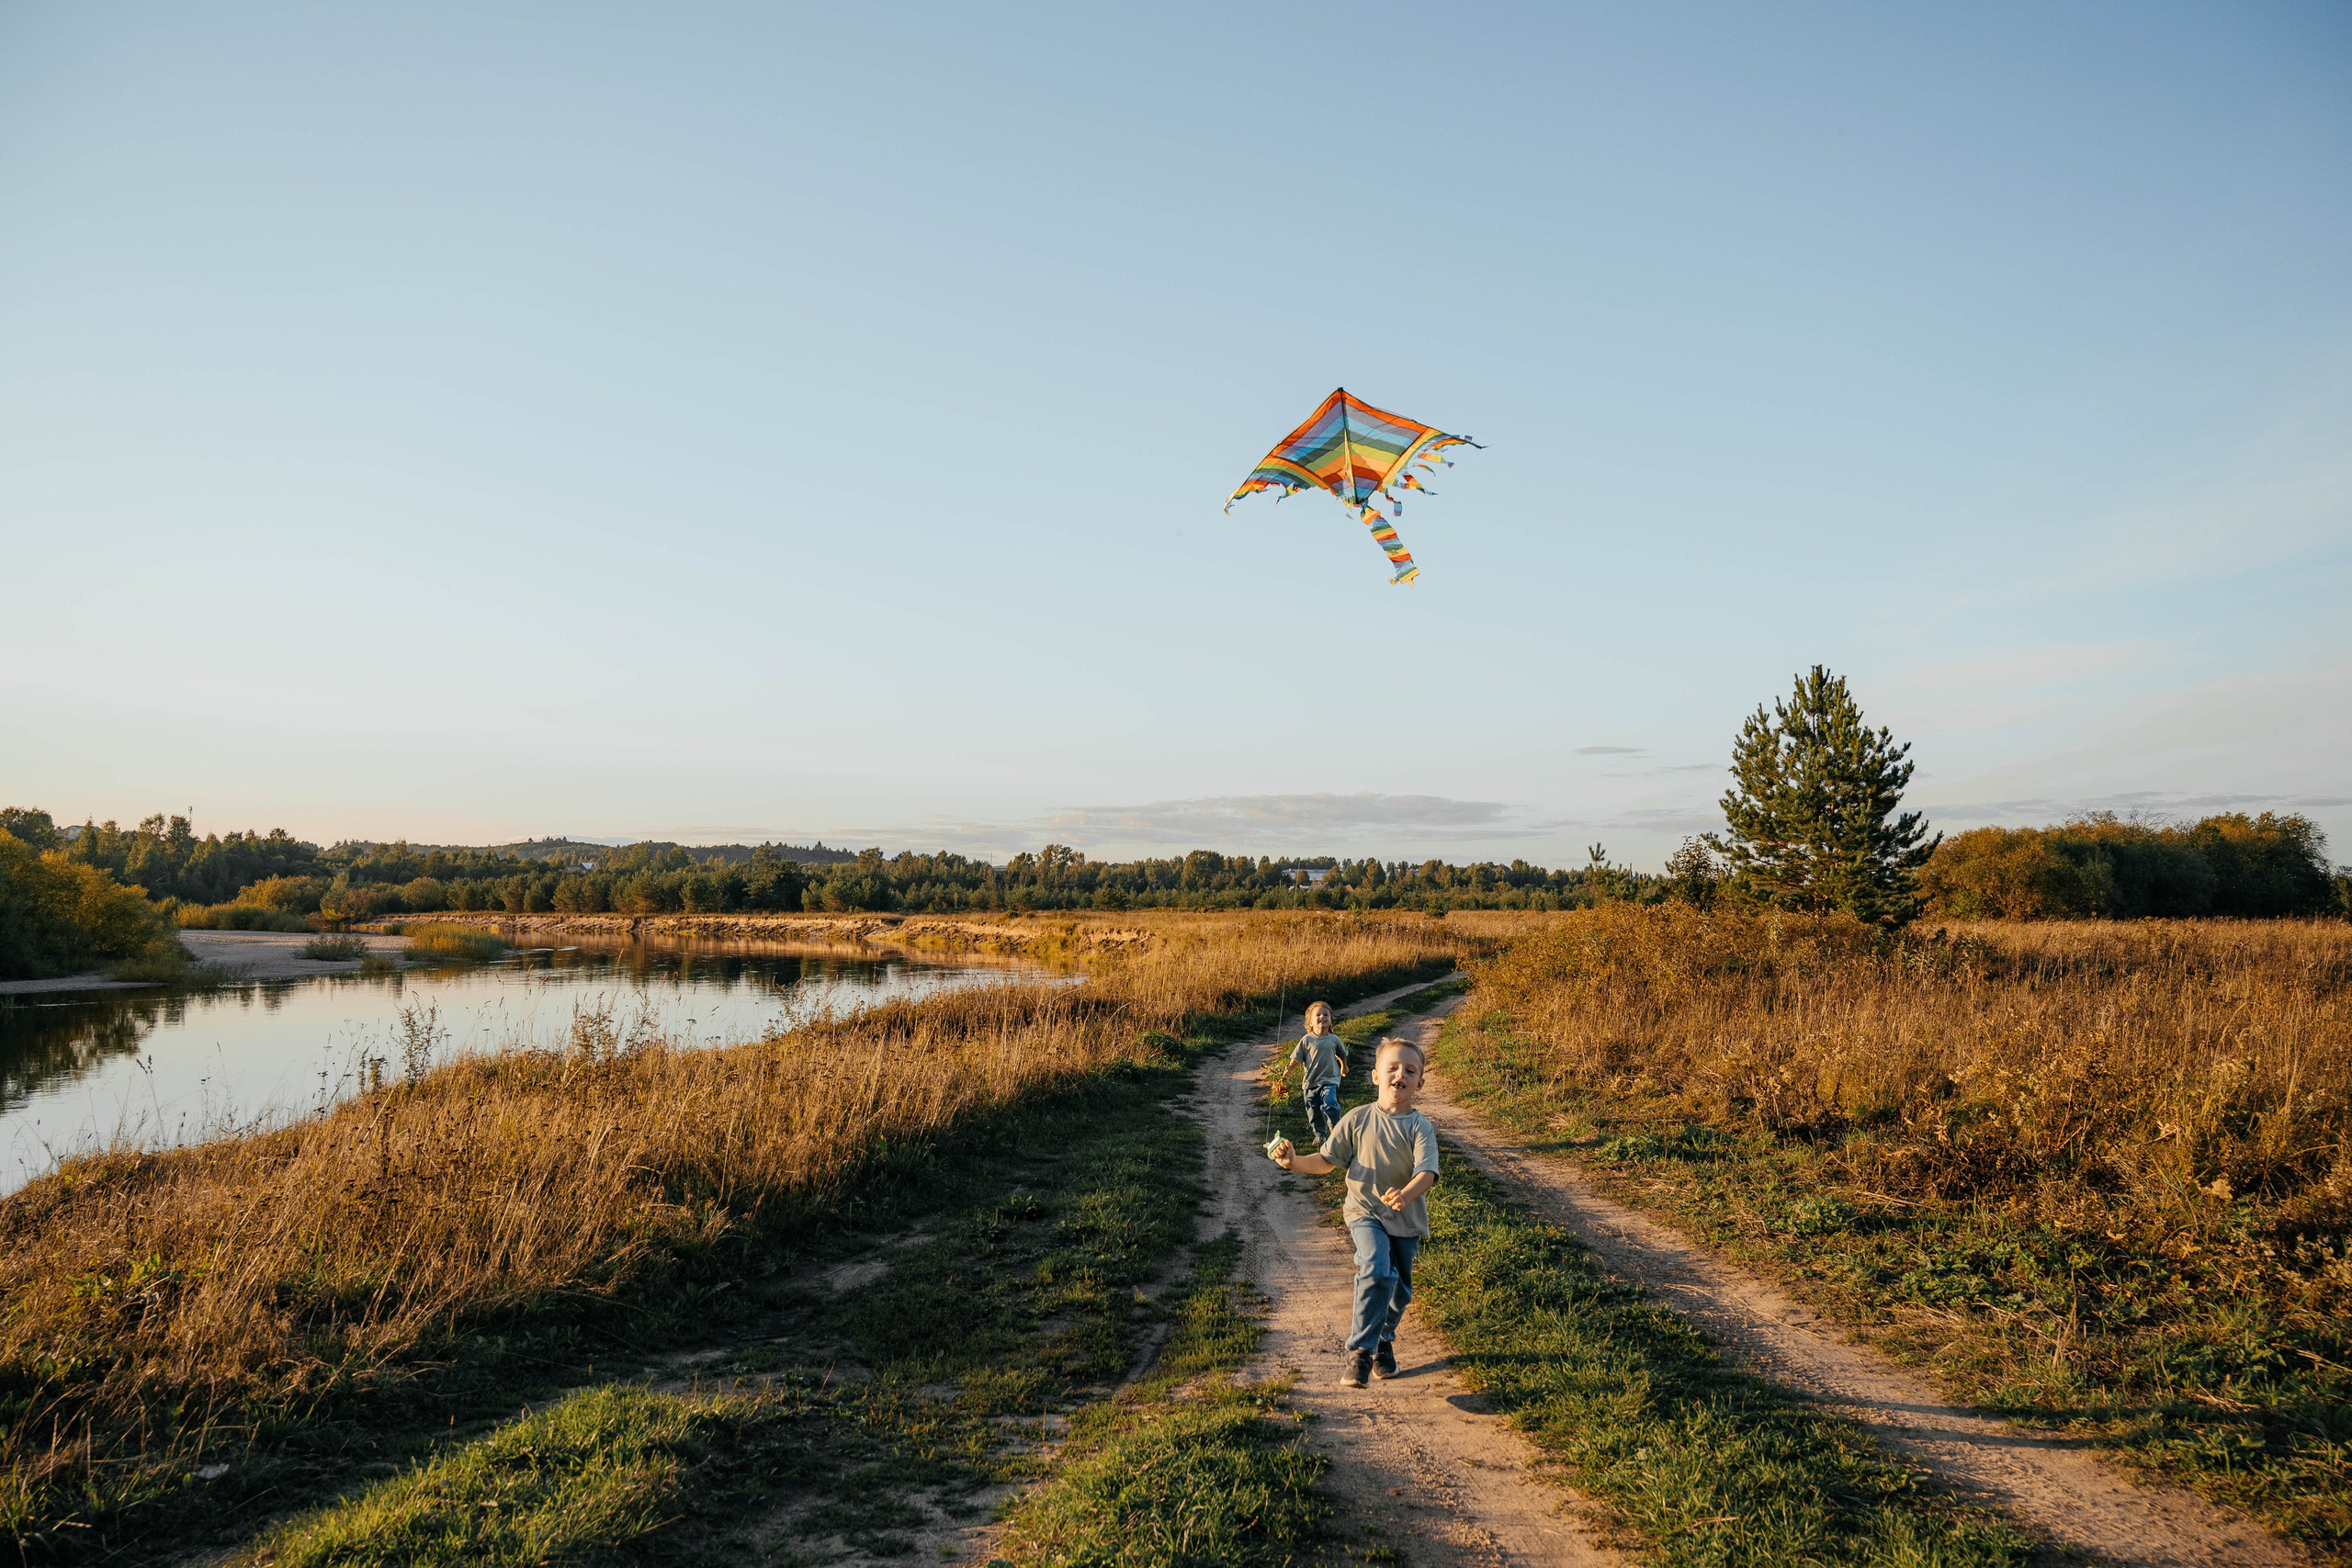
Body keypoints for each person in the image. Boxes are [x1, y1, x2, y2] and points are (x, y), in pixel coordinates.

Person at [1269, 1036, 1440, 1387]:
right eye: (1391, 1068)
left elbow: (1427, 1173)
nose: (1400, 1075)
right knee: (1376, 1268)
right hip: (1364, 1211)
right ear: (1375, 1076)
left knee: (1400, 1291)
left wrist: (1406, 1195)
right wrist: (1295, 1162)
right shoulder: (1357, 1119)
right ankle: (1360, 1354)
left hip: (1405, 1217)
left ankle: (1383, 1340)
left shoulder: (1420, 1126)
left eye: (1410, 1070)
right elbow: (1328, 1161)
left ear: (1419, 1082)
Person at [1287, 1000, 1349, 1143]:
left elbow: (1342, 1054)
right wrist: (1288, 1072)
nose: (1322, 1017)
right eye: (1318, 1015)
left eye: (1326, 1014)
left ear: (1331, 1021)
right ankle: (1320, 1135)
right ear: (1310, 1023)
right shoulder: (1306, 1040)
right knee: (1313, 1110)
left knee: (1329, 1101)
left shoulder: (1334, 1039)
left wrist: (1344, 1066)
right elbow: (1296, 1059)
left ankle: (1334, 1124)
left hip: (1330, 1079)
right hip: (1311, 1081)